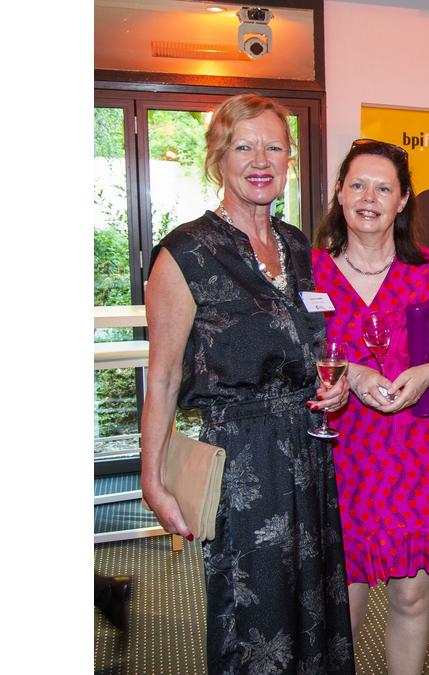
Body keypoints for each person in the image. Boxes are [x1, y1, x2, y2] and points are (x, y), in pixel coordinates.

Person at [140, 94, 354, 673]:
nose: (260, 159)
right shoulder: (186, 253)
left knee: (315, 611)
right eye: (244, 146)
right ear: (218, 158)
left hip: (309, 454)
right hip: (243, 464)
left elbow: (311, 349)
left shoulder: (299, 247)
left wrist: (330, 390)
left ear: (289, 159)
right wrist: (152, 477)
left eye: (274, 146)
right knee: (255, 623)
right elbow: (161, 376)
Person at [311, 138, 429, 674]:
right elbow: (289, 363)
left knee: (412, 599)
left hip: (417, 457)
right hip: (345, 459)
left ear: (403, 199)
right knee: (345, 608)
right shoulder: (308, 275)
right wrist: (353, 375)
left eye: (383, 187)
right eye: (357, 184)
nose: (369, 197)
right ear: (339, 192)